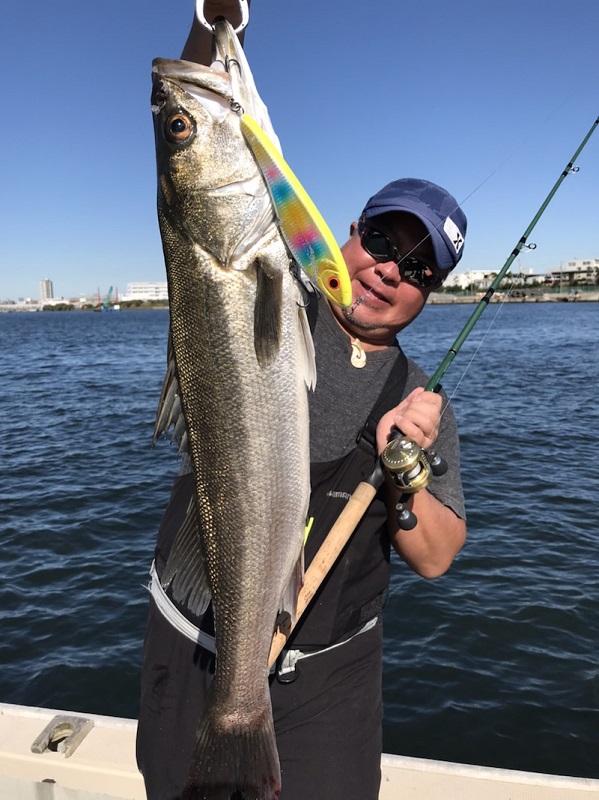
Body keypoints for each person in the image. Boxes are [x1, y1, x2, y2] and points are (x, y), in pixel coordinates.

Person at [136, 3, 467, 799]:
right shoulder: (278, 288)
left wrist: (404, 471)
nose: (389, 270)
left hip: (329, 683)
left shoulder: (419, 401)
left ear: (429, 293)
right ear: (348, 231)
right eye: (382, 241)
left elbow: (435, 558)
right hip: (191, 649)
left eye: (417, 269)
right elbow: (183, 125)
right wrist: (214, 23)